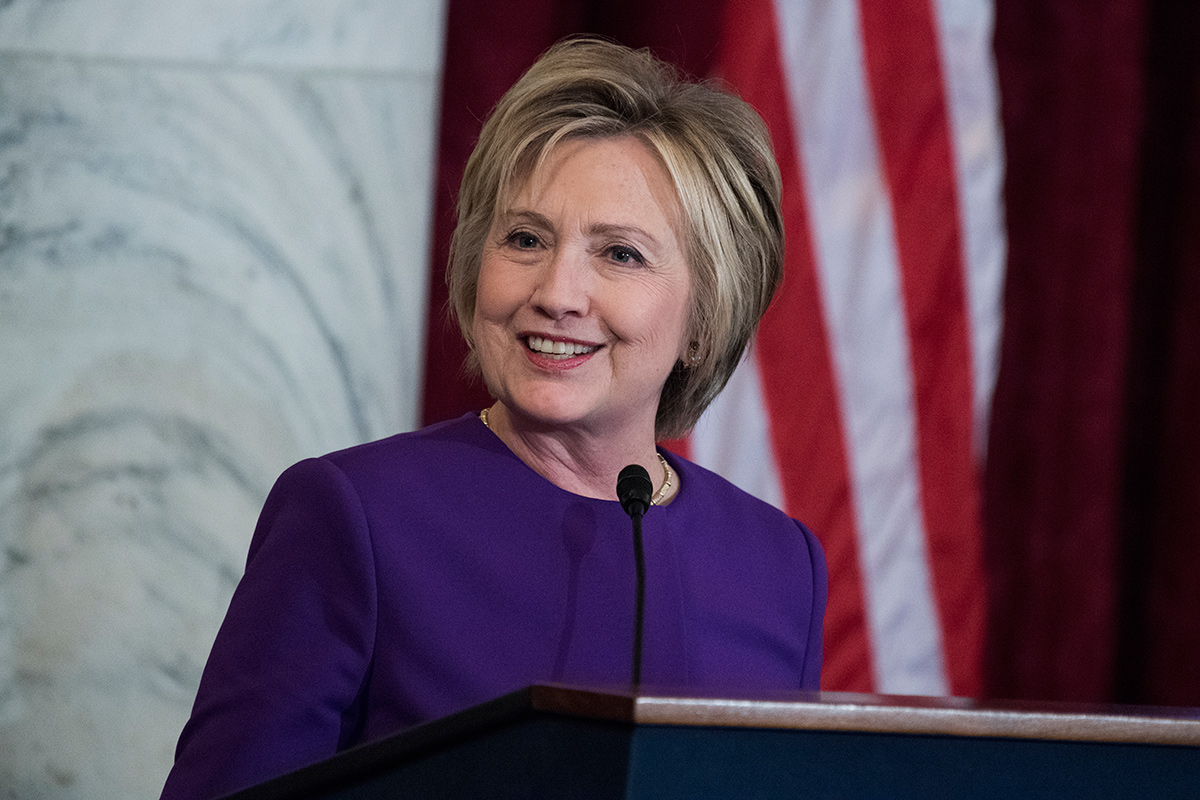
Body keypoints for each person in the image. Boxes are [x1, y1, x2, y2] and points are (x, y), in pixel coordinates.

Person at [160, 37, 827, 799]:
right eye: (525, 239)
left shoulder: (781, 568)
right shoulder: (355, 517)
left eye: (620, 255)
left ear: (706, 319)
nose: (557, 292)